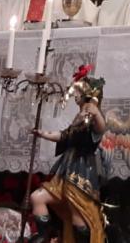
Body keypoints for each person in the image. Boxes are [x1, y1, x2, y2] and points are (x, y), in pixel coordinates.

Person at [29, 67, 108, 243]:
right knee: (37, 197)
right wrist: (41, 133)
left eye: (78, 93)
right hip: (65, 172)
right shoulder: (78, 120)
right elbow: (63, 136)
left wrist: (96, 113)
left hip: (81, 173)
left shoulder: (92, 120)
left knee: (76, 214)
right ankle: (43, 235)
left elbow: (101, 128)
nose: (75, 96)